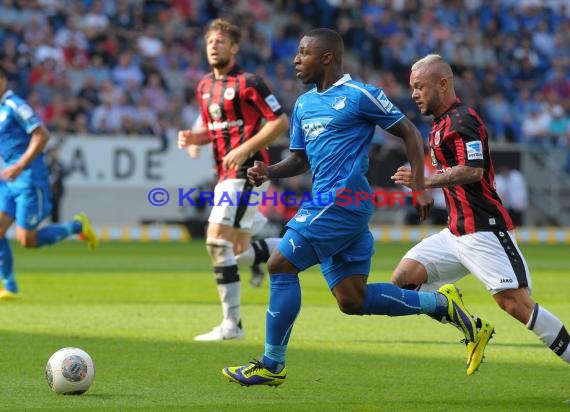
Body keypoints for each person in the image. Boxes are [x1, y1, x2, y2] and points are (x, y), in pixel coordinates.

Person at [222, 29, 492, 387]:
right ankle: (445, 307)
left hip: (342, 201)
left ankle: (272, 365)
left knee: (280, 264)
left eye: (304, 53)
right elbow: (300, 160)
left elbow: (410, 132)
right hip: (329, 203)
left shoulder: (359, 95)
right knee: (353, 299)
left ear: (327, 57)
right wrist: (268, 170)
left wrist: (419, 184)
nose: (296, 59)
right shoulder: (303, 104)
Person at [390, 54, 570, 367]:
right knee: (404, 279)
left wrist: (424, 181)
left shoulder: (463, 120)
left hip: (484, 229)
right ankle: (472, 327)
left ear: (443, 85)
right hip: (455, 232)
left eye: (420, 86)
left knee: (515, 304)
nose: (414, 94)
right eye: (412, 87)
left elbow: (473, 170)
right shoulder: (437, 127)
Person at [176, 18, 288, 341]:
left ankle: (232, 325)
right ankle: (311, 246)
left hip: (248, 170)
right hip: (226, 173)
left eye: (221, 42)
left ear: (234, 48)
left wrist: (244, 150)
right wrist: (193, 139)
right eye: (210, 42)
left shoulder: (249, 82)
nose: (214, 47)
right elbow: (214, 132)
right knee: (237, 251)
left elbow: (279, 121)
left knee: (215, 241)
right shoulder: (203, 87)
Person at [0, 65, 98, 300]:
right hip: (9, 178)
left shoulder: (15, 104)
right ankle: (9, 286)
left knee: (27, 240)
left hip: (28, 177)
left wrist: (20, 165)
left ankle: (77, 226)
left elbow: (41, 134)